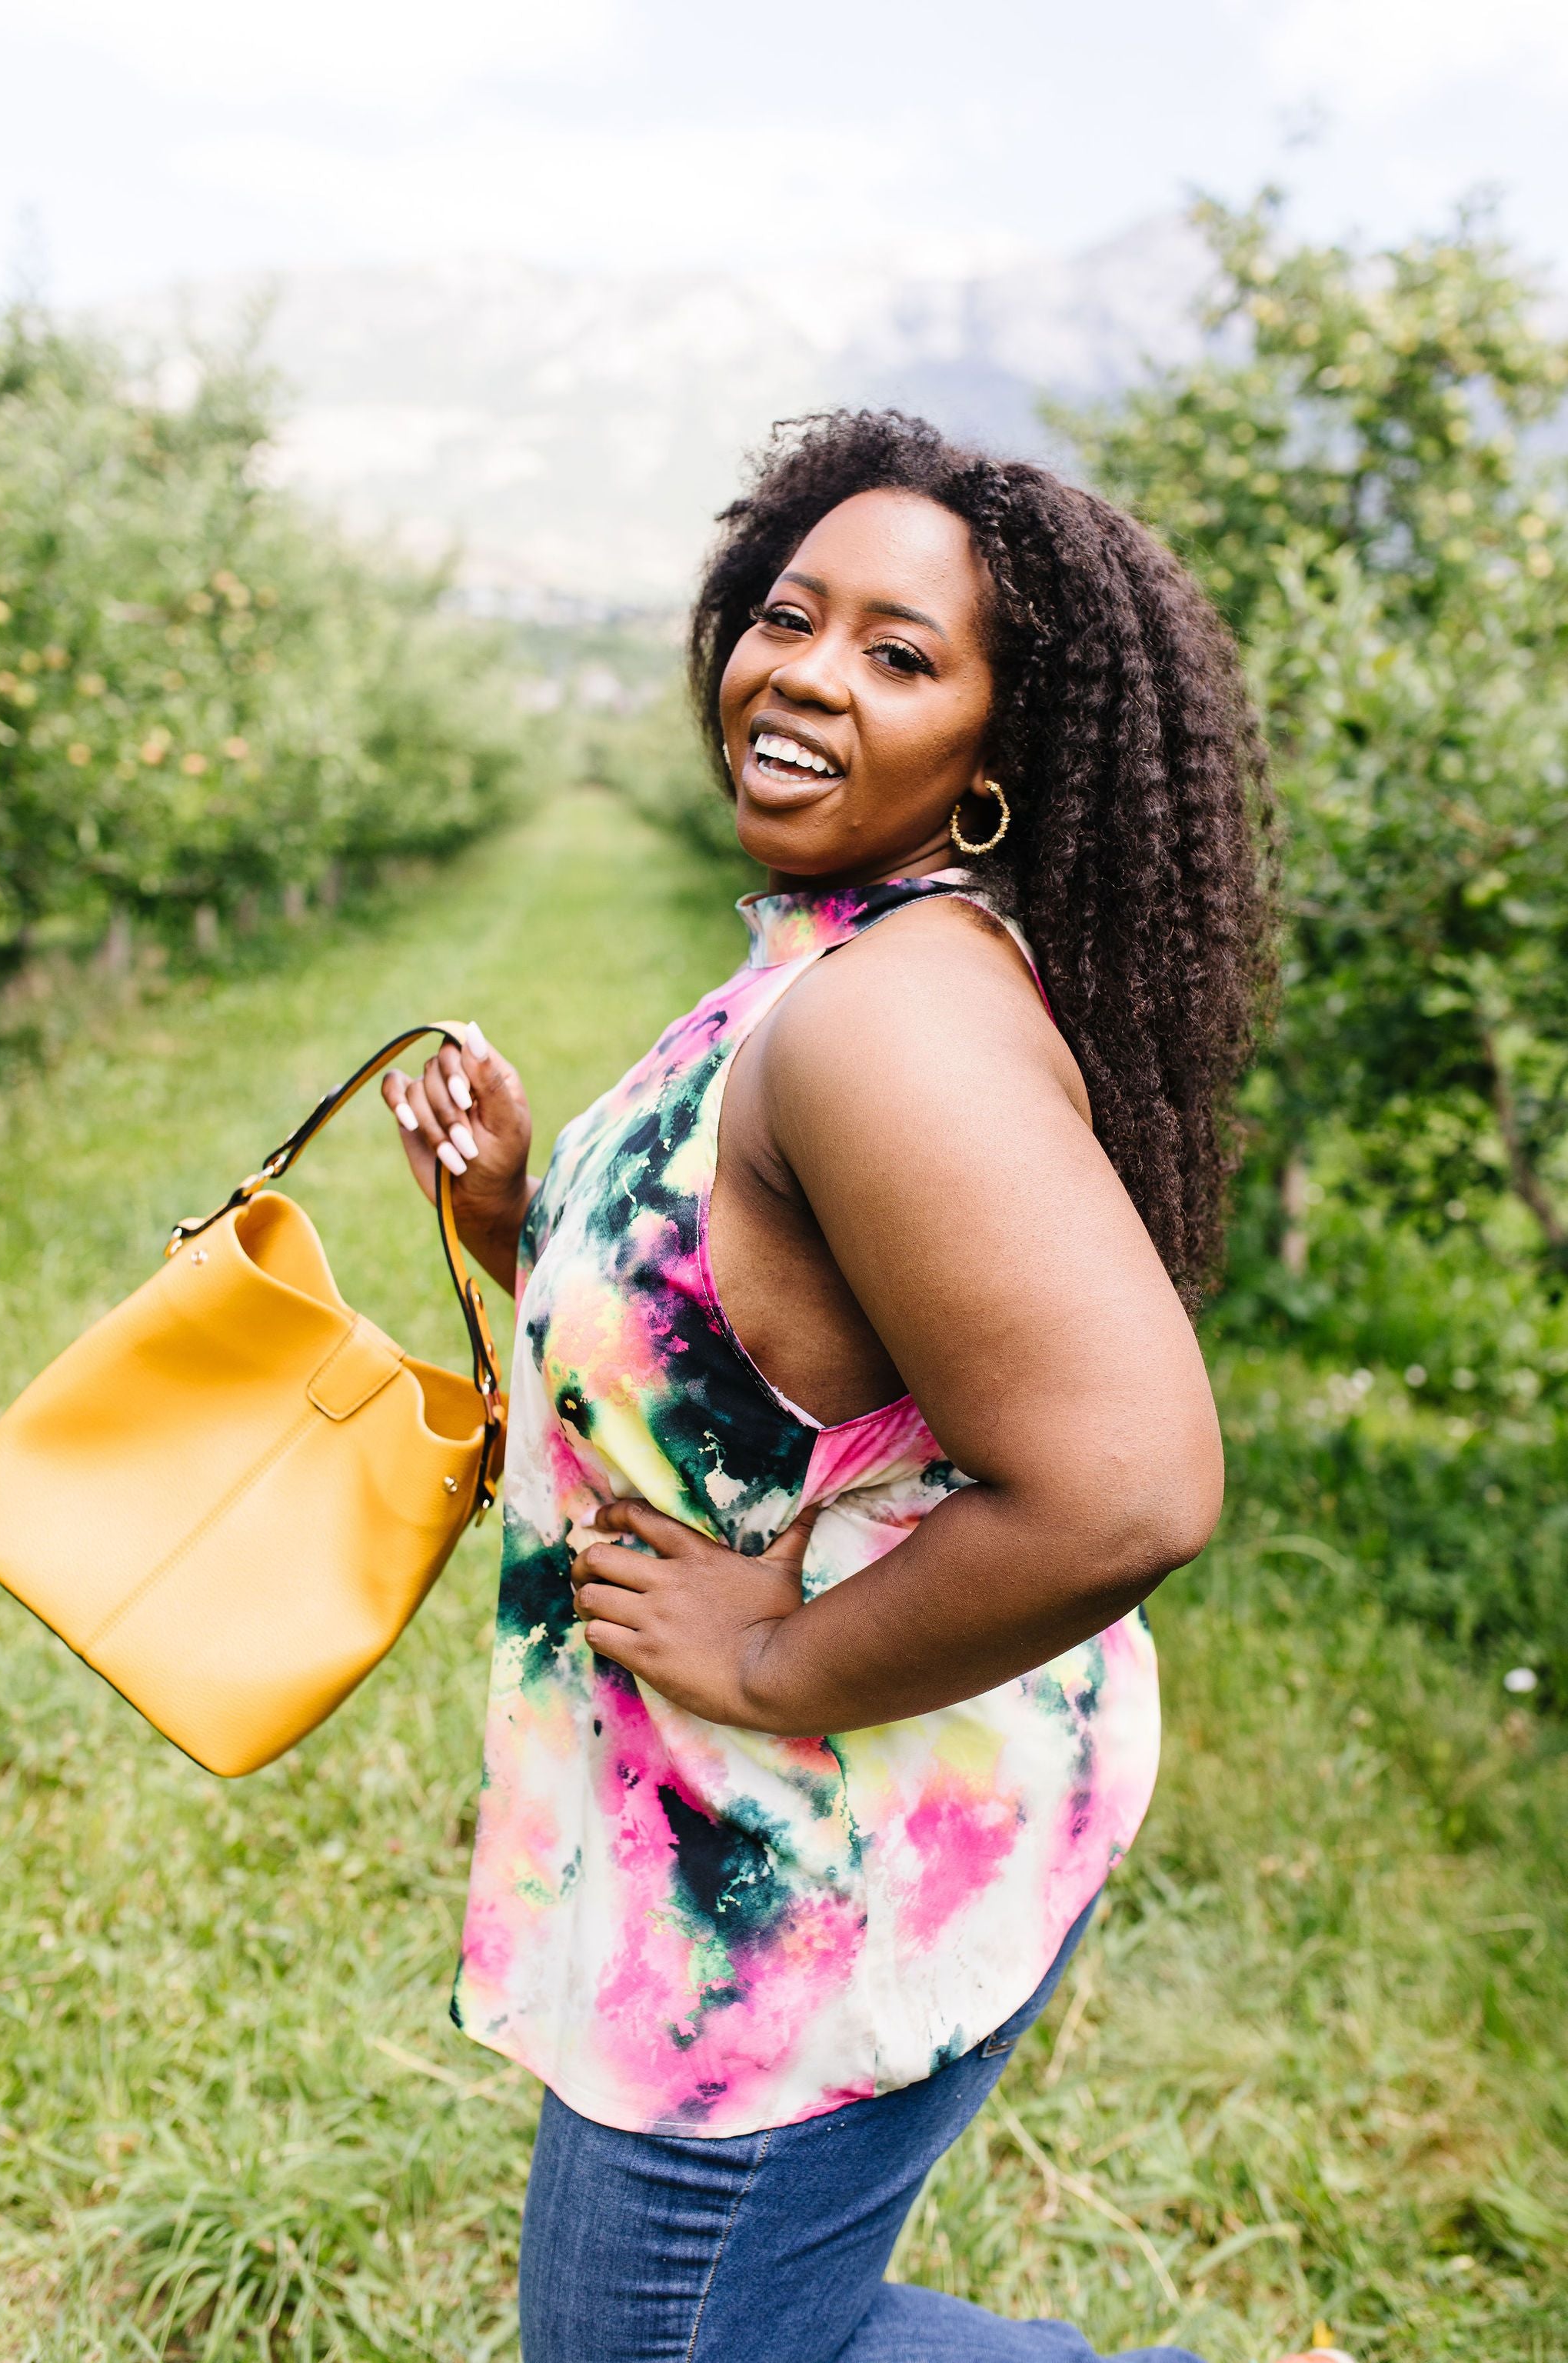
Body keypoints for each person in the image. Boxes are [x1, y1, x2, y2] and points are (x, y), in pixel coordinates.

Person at [381, 410, 1273, 2361]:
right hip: (737, 1825)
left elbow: (1129, 1491)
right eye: (789, 617)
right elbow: (759, 1369)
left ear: (994, 753)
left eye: (900, 653)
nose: (802, 675)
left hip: (805, 1860)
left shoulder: (887, 1026)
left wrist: (774, 1663)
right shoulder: (824, 961)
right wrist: (532, 1217)